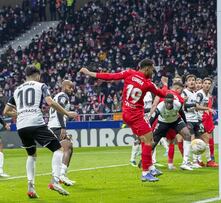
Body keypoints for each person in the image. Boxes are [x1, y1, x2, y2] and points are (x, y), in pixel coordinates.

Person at [79, 58, 168, 182]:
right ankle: (145, 173)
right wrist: (165, 84)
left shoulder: (129, 73)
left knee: (146, 139)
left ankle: (151, 167)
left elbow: (110, 76)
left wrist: (90, 73)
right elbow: (163, 94)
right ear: (147, 68)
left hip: (126, 113)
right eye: (152, 69)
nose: (153, 72)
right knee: (149, 141)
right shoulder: (148, 83)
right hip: (136, 114)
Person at [3, 65, 78, 198]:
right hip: (36, 123)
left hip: (21, 126)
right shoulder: (40, 85)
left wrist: (20, 112)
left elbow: (6, 111)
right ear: (37, 75)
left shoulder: (16, 90)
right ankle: (55, 180)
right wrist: (66, 112)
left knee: (31, 155)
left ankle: (31, 187)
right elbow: (50, 102)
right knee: (58, 149)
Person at [149, 93, 192, 170]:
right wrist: (148, 130)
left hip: (175, 121)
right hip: (162, 123)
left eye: (170, 102)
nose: (168, 104)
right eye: (167, 102)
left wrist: (186, 123)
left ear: (173, 101)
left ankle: (186, 162)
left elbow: (182, 113)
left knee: (187, 135)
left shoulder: (177, 104)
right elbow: (152, 119)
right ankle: (146, 162)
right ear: (164, 101)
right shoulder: (160, 107)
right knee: (153, 143)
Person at [48, 80, 75, 186]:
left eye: (72, 88)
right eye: (70, 87)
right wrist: (63, 127)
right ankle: (61, 175)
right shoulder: (63, 96)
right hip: (56, 127)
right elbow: (59, 111)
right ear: (64, 87)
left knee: (69, 148)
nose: (72, 90)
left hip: (56, 125)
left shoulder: (59, 96)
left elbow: (61, 112)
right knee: (67, 147)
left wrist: (69, 116)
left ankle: (62, 175)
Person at [181, 74, 212, 169]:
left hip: (196, 119)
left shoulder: (195, 93)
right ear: (186, 83)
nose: (192, 82)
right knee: (189, 139)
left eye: (193, 80)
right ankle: (185, 161)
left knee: (198, 140)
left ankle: (195, 161)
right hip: (188, 119)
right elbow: (183, 107)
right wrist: (195, 105)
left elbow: (196, 108)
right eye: (189, 80)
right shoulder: (184, 92)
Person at [195, 77, 217, 167]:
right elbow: (196, 106)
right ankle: (208, 160)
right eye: (205, 83)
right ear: (202, 84)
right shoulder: (200, 94)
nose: (207, 85)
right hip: (200, 119)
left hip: (205, 118)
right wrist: (207, 109)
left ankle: (200, 160)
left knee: (204, 140)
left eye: (209, 83)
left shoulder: (208, 95)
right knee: (205, 139)